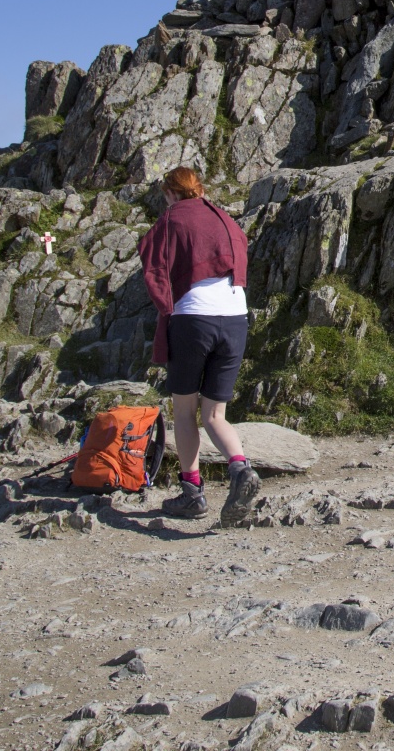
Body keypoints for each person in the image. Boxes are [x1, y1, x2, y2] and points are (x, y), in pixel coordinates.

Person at [138, 165, 262, 525]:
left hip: (193, 320)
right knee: (214, 414)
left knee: (185, 409)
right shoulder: (225, 218)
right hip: (236, 319)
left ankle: (192, 492)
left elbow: (152, 261)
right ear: (201, 189)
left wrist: (167, 306)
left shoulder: (173, 217)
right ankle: (240, 469)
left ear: (171, 193)